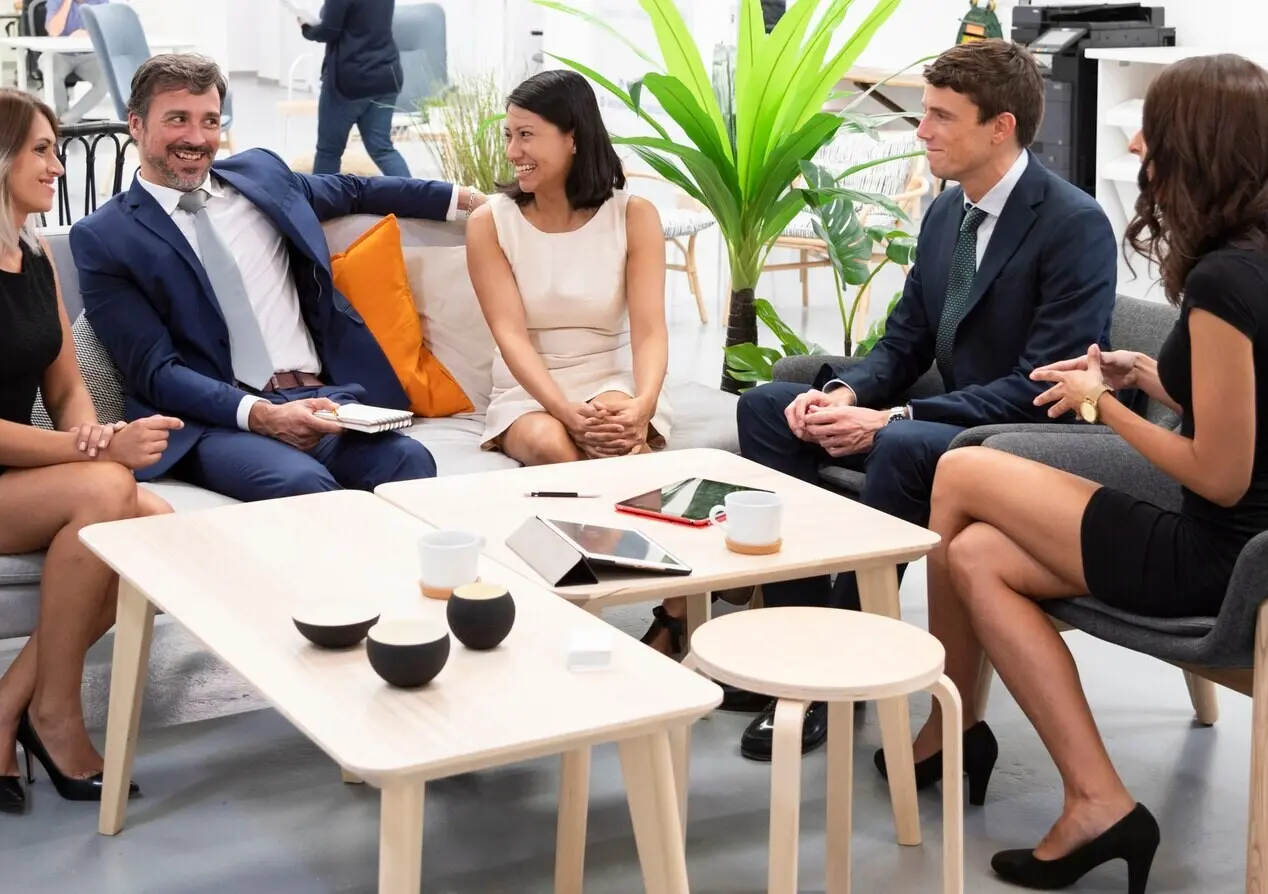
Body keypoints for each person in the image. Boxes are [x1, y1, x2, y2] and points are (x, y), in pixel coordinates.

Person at [901, 53, 1268, 892]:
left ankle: (946, 727)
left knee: (963, 471)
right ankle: (1096, 799)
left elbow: (1218, 474)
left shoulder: (1222, 281)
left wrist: (1104, 404)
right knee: (977, 555)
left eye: (1154, 133)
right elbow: (1245, 413)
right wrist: (1151, 376)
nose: (1138, 145)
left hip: (1219, 559)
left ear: (1199, 147)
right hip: (1240, 539)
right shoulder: (1255, 259)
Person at [701, 38, 1119, 762]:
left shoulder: (1072, 224)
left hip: (1022, 439)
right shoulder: (947, 211)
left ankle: (836, 673)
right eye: (925, 113)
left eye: (941, 116)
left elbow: (1039, 386)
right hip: (946, 423)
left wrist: (896, 416)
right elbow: (905, 342)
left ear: (1001, 128)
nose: (921, 130)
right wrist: (840, 394)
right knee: (767, 407)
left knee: (898, 442)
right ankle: (802, 641)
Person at [0, 88, 181, 810]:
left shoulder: (35, 253)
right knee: (109, 491)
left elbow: (67, 387)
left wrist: (94, 433)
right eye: (41, 151)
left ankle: (3, 708)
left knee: (157, 526)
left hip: (6, 470)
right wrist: (99, 456)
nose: (58, 165)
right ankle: (55, 714)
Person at [72, 54, 486, 502]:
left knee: (408, 461)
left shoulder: (260, 177)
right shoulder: (105, 237)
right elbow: (157, 372)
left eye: (210, 121)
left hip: (321, 399)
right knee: (304, 487)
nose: (197, 138)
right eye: (178, 119)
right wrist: (260, 414)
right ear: (136, 125)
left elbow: (355, 190)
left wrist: (469, 201)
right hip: (218, 422)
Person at [466, 69, 671, 469]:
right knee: (552, 446)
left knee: (617, 436)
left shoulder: (634, 216)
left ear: (573, 137)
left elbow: (650, 330)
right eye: (509, 136)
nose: (512, 153)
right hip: (527, 393)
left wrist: (644, 404)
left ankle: (653, 505)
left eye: (525, 135)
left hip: (611, 380)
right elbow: (510, 336)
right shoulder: (490, 223)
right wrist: (563, 410)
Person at [302, 0, 411, 178]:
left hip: (350, 82)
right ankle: (416, 194)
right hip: (386, 75)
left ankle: (322, 197)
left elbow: (328, 30)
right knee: (382, 149)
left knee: (329, 151)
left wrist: (306, 28)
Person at [43, 0, 110, 123]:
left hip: (88, 56)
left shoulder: (100, 2)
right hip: (59, 54)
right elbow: (53, 31)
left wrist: (88, 33)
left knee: (107, 78)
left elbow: (107, 27)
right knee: (52, 72)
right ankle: (61, 117)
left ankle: (66, 120)